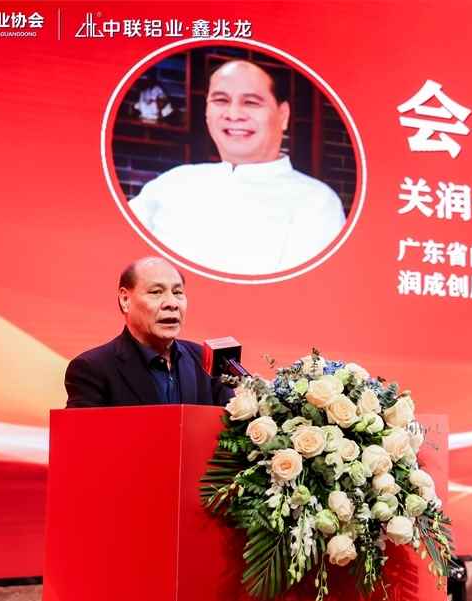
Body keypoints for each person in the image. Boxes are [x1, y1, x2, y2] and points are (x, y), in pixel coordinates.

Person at [128, 60, 346, 275]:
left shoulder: (317, 202)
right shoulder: (170, 184)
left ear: (283, 115)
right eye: (220, 100)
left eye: (250, 102)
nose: (233, 114)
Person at [65, 257, 233, 408]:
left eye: (177, 292)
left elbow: (230, 428)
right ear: (125, 300)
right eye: (156, 292)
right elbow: (80, 432)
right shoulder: (93, 368)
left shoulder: (206, 361)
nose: (172, 303)